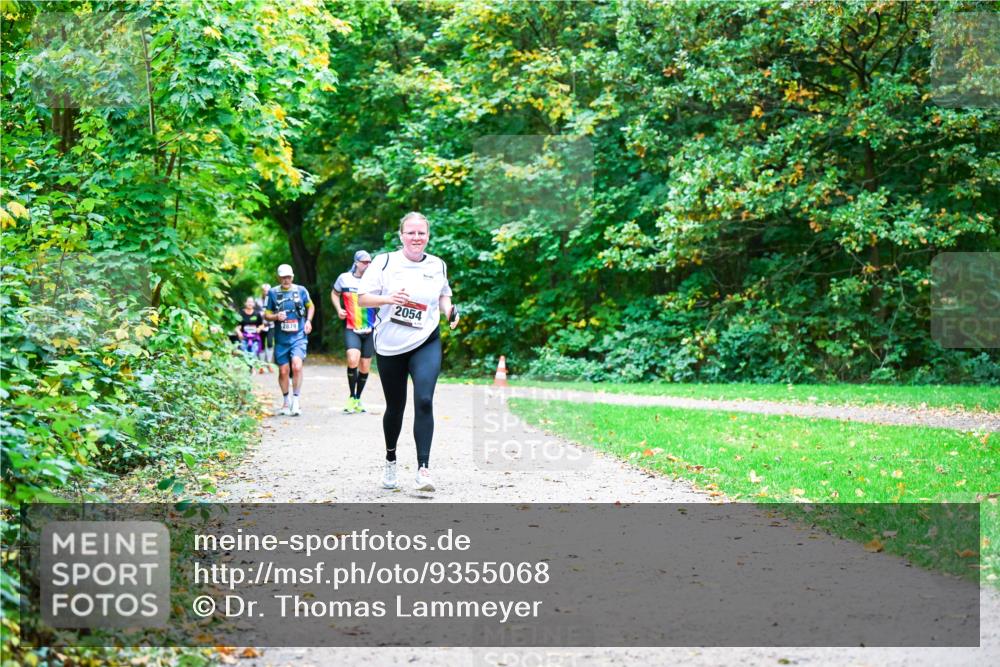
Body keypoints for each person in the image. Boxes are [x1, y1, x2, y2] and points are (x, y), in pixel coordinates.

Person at [359, 212, 459, 492]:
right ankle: (390, 459)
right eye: (411, 233)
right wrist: (388, 298)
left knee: (424, 400)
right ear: (401, 235)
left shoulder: (438, 265)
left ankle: (423, 469)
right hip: (390, 345)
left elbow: (443, 294)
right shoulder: (385, 262)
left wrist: (449, 310)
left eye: (421, 233)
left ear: (428, 236)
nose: (417, 238)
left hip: (426, 339)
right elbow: (362, 298)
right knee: (396, 407)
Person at [263, 264, 314, 416]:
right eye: (283, 277)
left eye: (289, 277)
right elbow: (267, 314)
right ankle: (286, 401)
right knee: (284, 371)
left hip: (298, 335)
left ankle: (296, 400)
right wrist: (276, 317)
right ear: (279, 278)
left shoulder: (301, 290)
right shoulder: (272, 293)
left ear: (292, 277)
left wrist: (308, 321)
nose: (286, 280)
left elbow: (310, 306)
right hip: (281, 338)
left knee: (297, 366)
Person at [331, 250, 377, 414]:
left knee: (365, 367)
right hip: (352, 327)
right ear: (356, 263)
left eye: (370, 262)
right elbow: (335, 294)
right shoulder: (344, 278)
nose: (368, 265)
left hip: (370, 329)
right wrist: (339, 309)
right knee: (352, 359)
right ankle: (351, 396)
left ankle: (358, 398)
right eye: (364, 262)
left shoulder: (374, 280)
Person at [235, 296, 265, 372]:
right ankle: (247, 369)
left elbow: (262, 325)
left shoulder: (257, 314)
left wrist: (259, 328)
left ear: (254, 304)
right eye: (248, 302)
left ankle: (252, 369)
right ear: (245, 303)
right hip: (244, 337)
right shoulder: (241, 313)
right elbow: (237, 326)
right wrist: (238, 332)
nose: (250, 303)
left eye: (251, 302)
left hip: (254, 338)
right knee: (244, 354)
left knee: (253, 353)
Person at [255, 283, 275, 369]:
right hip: (261, 326)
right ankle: (262, 365)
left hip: (271, 325)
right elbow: (255, 313)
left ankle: (269, 363)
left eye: (267, 291)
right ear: (262, 291)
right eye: (264, 291)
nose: (266, 292)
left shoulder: (273, 300)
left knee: (270, 343)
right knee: (261, 344)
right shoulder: (257, 301)